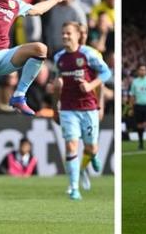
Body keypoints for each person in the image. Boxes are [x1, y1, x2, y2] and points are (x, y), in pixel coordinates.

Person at [53, 21, 112, 200]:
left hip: (88, 107)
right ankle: (73, 187)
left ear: (78, 35)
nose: (65, 36)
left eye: (68, 33)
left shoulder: (89, 54)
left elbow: (106, 73)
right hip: (68, 108)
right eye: (63, 33)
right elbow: (58, 80)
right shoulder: (59, 57)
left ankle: (89, 160)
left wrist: (90, 85)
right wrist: (56, 100)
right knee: (71, 145)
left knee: (91, 148)